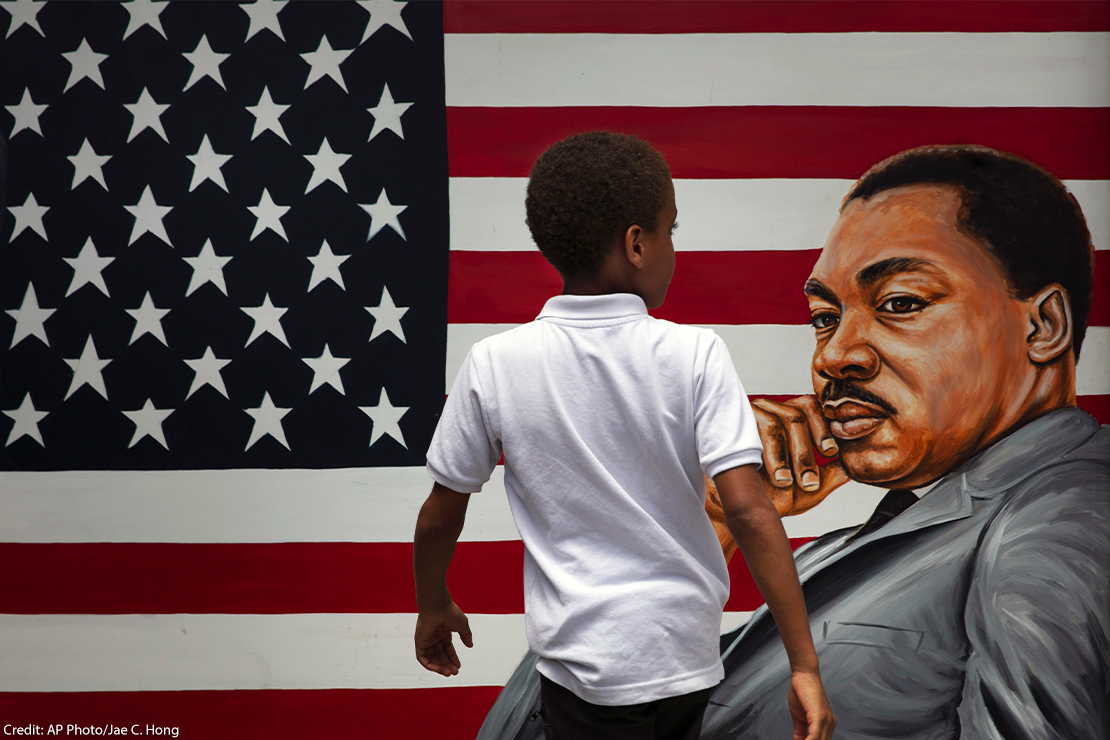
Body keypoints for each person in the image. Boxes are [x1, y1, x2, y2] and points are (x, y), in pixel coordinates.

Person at [481, 145, 1108, 739]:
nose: (834, 356)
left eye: (899, 301)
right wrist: (702, 523)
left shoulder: (1061, 518)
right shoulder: (856, 547)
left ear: (1044, 325)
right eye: (824, 318)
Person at [413, 132, 835, 740]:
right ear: (637, 243)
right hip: (683, 657)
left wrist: (433, 603)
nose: (671, 247)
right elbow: (746, 506)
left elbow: (439, 513)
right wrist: (804, 664)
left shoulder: (494, 362)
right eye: (670, 229)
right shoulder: (695, 353)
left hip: (579, 668)